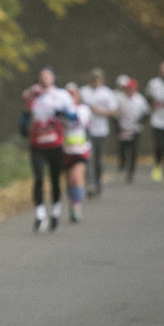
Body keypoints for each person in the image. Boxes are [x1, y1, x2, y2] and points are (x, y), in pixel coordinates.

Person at [21, 67, 76, 231]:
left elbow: (74, 116)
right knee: (38, 178)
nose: (44, 78)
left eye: (47, 75)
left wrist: (62, 113)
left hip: (56, 144)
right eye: (41, 75)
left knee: (54, 180)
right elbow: (25, 115)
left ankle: (56, 212)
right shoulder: (32, 96)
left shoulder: (62, 95)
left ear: (53, 78)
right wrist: (23, 125)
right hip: (37, 145)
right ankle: (40, 215)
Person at [78, 67, 118, 197]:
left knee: (99, 160)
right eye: (93, 78)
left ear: (102, 79)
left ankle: (98, 182)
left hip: (102, 131)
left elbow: (113, 112)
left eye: (97, 79)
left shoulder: (107, 93)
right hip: (86, 130)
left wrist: (99, 111)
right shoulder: (83, 91)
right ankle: (90, 184)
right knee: (88, 158)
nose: (95, 81)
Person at [63, 83, 92, 222]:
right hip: (65, 150)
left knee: (76, 177)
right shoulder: (60, 110)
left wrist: (66, 112)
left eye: (73, 94)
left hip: (80, 150)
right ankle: (72, 204)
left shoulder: (83, 109)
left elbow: (80, 120)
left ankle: (77, 206)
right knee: (69, 180)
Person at [115, 77, 150, 184]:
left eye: (132, 88)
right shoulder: (120, 99)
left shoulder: (140, 99)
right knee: (123, 149)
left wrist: (139, 122)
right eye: (128, 88)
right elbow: (115, 113)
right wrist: (117, 126)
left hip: (135, 129)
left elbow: (146, 113)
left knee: (134, 151)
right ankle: (123, 162)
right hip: (123, 128)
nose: (130, 90)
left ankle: (131, 172)